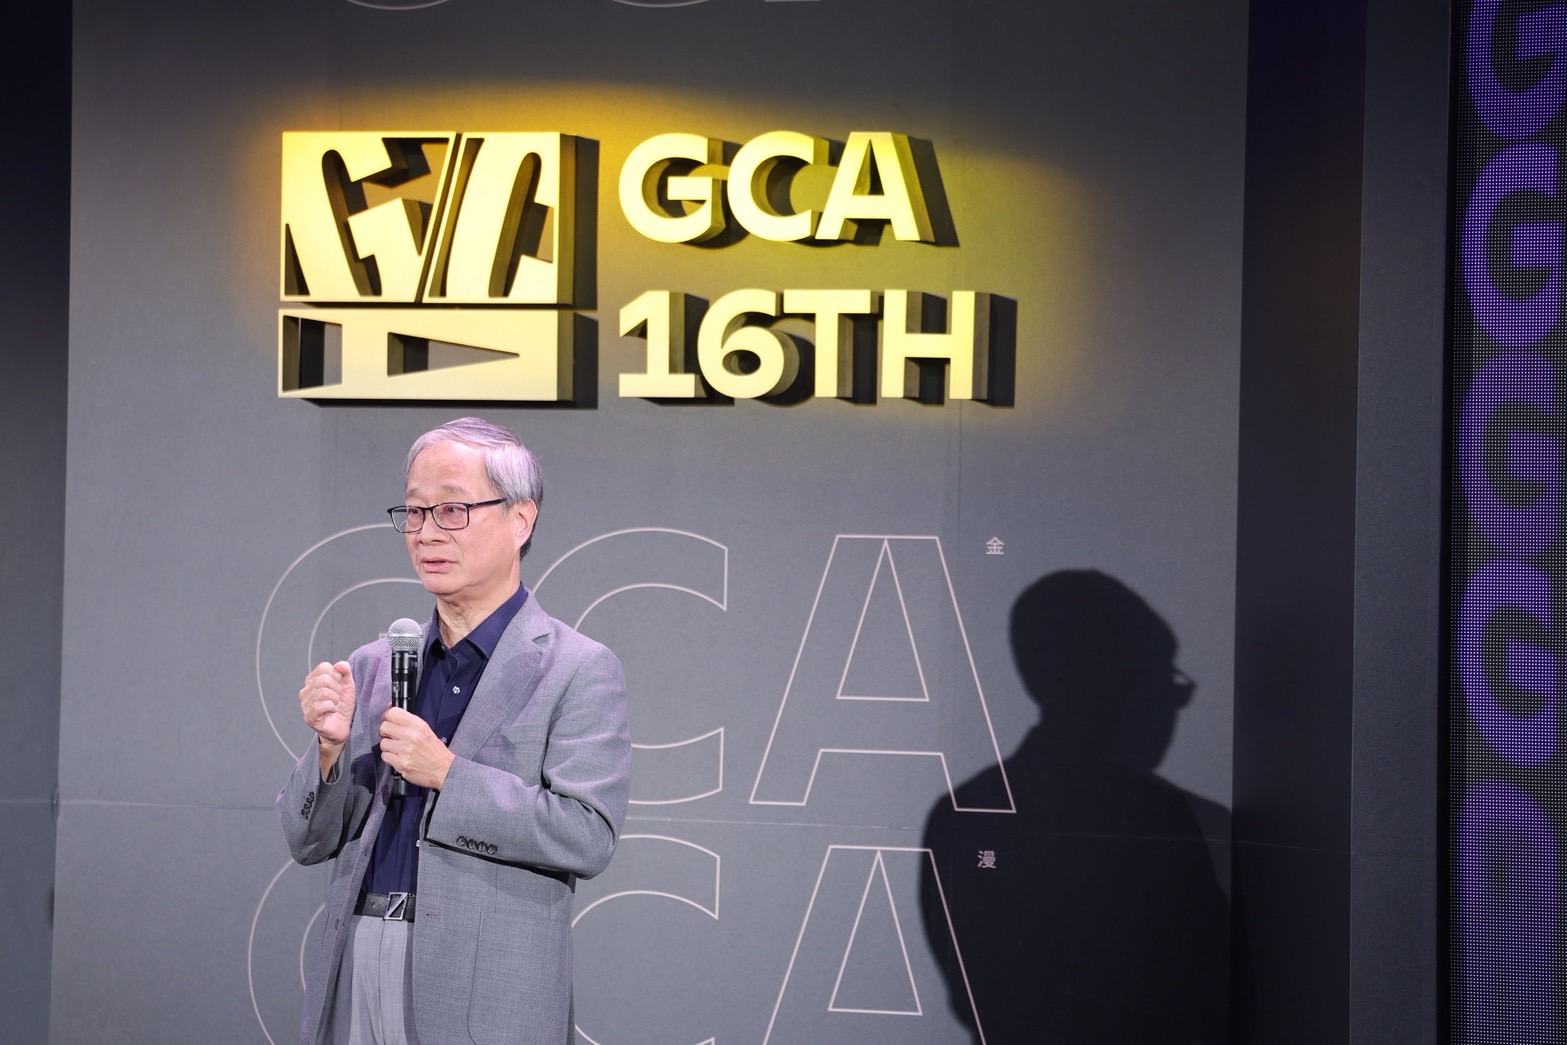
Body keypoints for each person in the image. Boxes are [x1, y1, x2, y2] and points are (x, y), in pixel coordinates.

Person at [278, 417, 632, 1045]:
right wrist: (329, 751)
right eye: (414, 513)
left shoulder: (577, 668)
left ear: (520, 519)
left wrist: (448, 775)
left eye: (452, 510)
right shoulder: (376, 664)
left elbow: (586, 835)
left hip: (484, 986)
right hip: (357, 953)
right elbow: (307, 841)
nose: (426, 533)